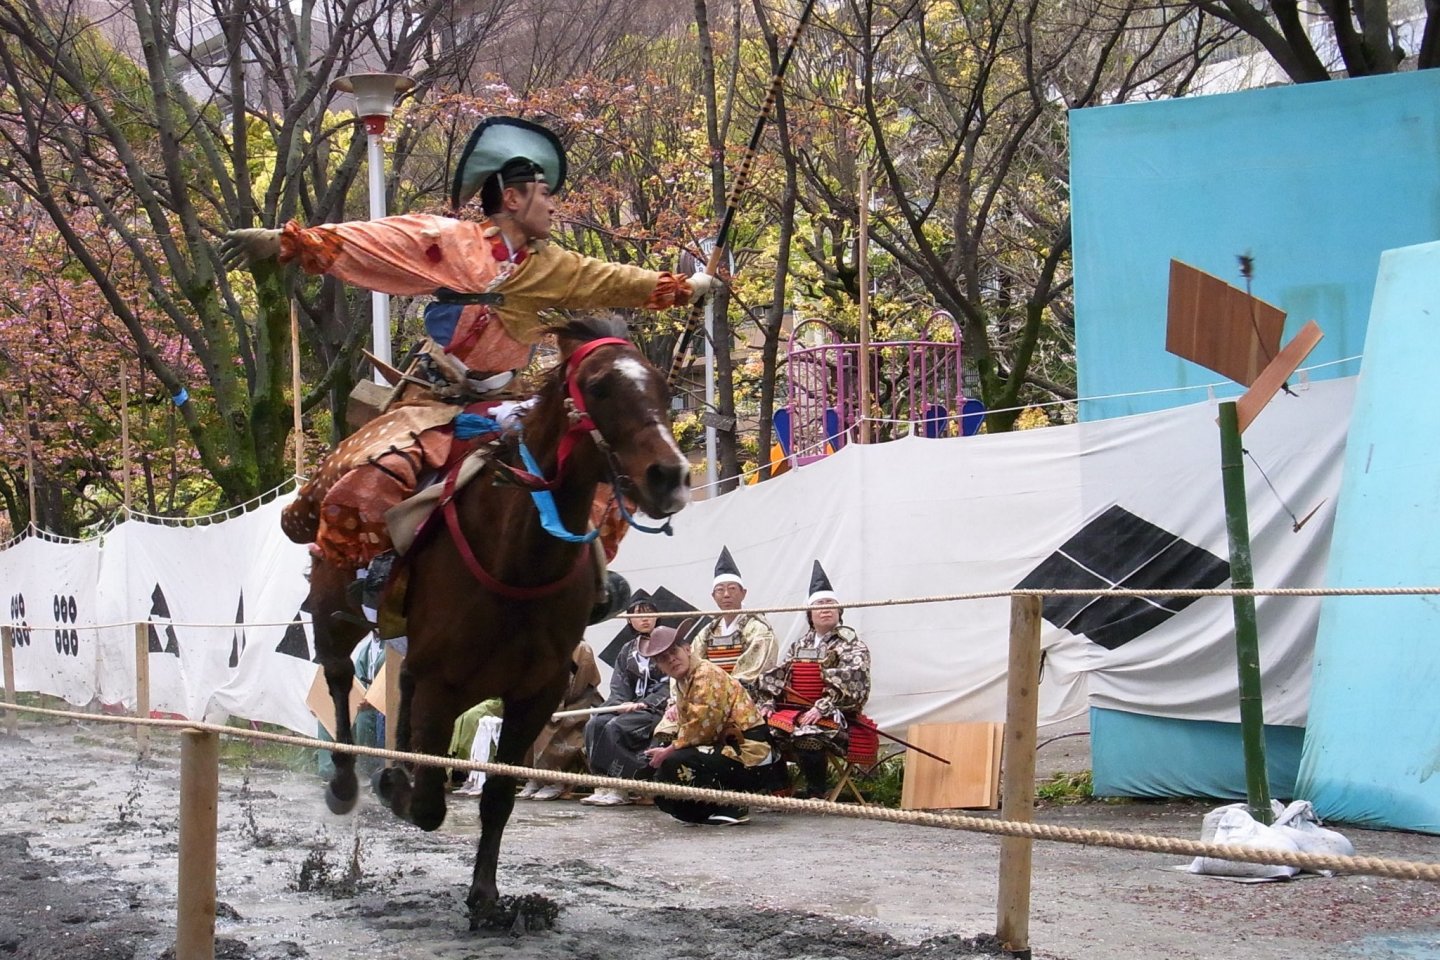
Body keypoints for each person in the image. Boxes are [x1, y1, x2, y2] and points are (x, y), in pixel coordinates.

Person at [218, 116, 713, 583]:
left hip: (511, 404)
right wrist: (288, 241)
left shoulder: (552, 264)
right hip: (431, 403)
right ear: (514, 199)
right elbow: (377, 240)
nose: (553, 206)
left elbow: (614, 279)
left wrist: (687, 286)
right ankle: (376, 571)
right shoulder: (449, 241)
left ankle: (591, 580)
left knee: (601, 480)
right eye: (545, 194)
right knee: (375, 475)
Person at [756, 560, 871, 800]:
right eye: (819, 604)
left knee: (807, 735)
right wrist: (768, 702)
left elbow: (854, 681)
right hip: (795, 712)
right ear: (809, 613)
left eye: (831, 604)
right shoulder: (800, 645)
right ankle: (780, 791)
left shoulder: (852, 644)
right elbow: (781, 676)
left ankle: (816, 794)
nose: (826, 609)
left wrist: (822, 707)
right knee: (761, 731)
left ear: (840, 612)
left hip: (835, 718)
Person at [641, 623, 774, 826]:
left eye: (673, 652)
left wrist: (670, 749)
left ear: (687, 649)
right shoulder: (684, 681)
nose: (671, 660)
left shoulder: (705, 674)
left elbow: (703, 724)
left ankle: (732, 804)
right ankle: (705, 810)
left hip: (749, 751)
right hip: (721, 747)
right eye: (662, 658)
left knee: (675, 760)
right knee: (663, 767)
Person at [581, 594, 672, 806]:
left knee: (615, 727)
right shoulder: (627, 650)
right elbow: (619, 686)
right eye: (638, 615)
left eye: (649, 613)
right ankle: (602, 783)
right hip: (630, 707)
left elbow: (672, 682)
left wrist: (647, 702)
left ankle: (622, 784)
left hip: (656, 708)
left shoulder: (668, 644)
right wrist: (621, 704)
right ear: (629, 620)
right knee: (595, 723)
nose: (645, 619)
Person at [519, 640, 603, 801]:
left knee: (546, 724)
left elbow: (577, 686)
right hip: (543, 700)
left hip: (574, 704)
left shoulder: (581, 649)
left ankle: (555, 780)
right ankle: (534, 777)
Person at [688, 546, 778, 693]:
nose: (726, 594)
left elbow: (753, 670)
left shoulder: (758, 629)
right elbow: (693, 662)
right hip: (712, 694)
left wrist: (724, 690)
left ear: (743, 593)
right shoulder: (707, 632)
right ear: (713, 596)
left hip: (746, 695)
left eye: (732, 588)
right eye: (720, 590)